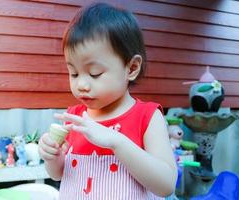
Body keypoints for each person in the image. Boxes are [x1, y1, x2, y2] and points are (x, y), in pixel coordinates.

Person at [38, 2, 177, 199]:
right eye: (74, 73)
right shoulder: (76, 117)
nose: (82, 85)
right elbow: (59, 174)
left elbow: (166, 185)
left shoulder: (147, 117)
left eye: (94, 74)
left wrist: (117, 143)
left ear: (131, 68)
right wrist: (52, 157)